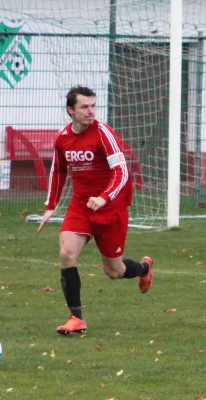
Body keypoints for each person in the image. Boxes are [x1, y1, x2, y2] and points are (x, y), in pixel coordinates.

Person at [38, 85, 153, 335]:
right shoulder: (62, 138)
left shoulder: (103, 133)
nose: (91, 111)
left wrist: (104, 197)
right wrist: (50, 206)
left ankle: (144, 268)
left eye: (93, 106)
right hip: (81, 205)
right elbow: (58, 171)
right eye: (84, 107)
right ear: (70, 110)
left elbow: (121, 171)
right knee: (67, 253)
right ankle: (76, 318)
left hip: (110, 207)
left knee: (115, 271)